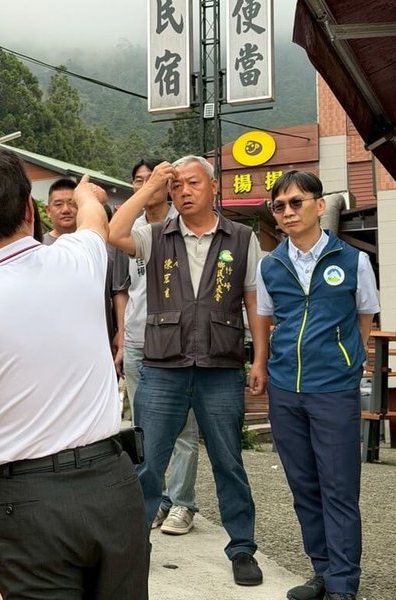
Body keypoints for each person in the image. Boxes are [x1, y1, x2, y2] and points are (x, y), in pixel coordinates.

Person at [0, 146, 150, 600]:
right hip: (112, 484)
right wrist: (86, 195)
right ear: (29, 208)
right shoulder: (80, 259)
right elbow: (94, 221)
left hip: (28, 503)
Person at [109, 155, 267, 587]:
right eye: (176, 186)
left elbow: (254, 300)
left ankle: (242, 549)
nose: (184, 192)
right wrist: (150, 187)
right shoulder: (154, 235)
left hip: (221, 366)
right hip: (164, 366)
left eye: (193, 183)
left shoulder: (242, 237)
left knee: (228, 462)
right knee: (148, 463)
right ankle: (133, 548)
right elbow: (114, 232)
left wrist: (259, 358)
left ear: (214, 187)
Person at [257, 171, 378, 600]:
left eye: (297, 202)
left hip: (333, 389)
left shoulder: (353, 260)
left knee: (339, 488)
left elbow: (365, 316)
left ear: (319, 205)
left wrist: (347, 359)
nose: (288, 212)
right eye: (279, 206)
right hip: (285, 389)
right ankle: (322, 572)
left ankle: (343, 584)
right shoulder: (270, 264)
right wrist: (264, 366)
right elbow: (266, 318)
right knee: (304, 487)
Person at [114, 158, 200, 536]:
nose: (145, 186)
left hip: (177, 341)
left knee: (183, 428)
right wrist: (121, 337)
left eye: (153, 180)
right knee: (142, 428)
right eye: (138, 180)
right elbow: (122, 289)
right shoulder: (132, 228)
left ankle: (182, 502)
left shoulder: (184, 224)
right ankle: (154, 499)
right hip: (137, 340)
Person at [44, 178, 128, 350]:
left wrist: (121, 331)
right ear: (48, 210)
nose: (66, 210)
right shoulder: (39, 247)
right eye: (58, 204)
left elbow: (118, 291)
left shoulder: (105, 245)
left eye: (72, 203)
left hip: (101, 342)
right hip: (55, 343)